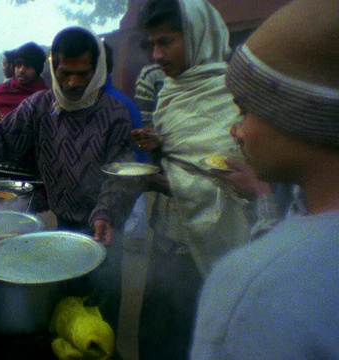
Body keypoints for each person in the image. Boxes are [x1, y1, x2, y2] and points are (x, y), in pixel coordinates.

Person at [0, 27, 140, 334]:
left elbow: (120, 174)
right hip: (63, 231)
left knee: (100, 324)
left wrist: (106, 212)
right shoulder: (39, 107)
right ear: (54, 68)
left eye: (83, 73)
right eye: (66, 73)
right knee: (64, 319)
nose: (74, 83)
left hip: (104, 232)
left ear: (98, 69)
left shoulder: (114, 113)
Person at [191, 0, 339, 358]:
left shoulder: (247, 285)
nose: (235, 130)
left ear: (298, 115)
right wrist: (265, 198)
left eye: (245, 110)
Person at [132, 1, 255, 358]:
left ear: (200, 36)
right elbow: (184, 158)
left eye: (166, 42)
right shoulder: (170, 93)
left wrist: (162, 182)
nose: (155, 55)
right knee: (155, 343)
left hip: (216, 256)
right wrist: (159, 147)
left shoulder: (238, 96)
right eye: (152, 44)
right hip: (165, 249)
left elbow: (248, 181)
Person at [0, 42, 48, 128]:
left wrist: (8, 123)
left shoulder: (45, 97)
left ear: (37, 70)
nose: (21, 70)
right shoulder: (1, 91)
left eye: (28, 66)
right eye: (18, 65)